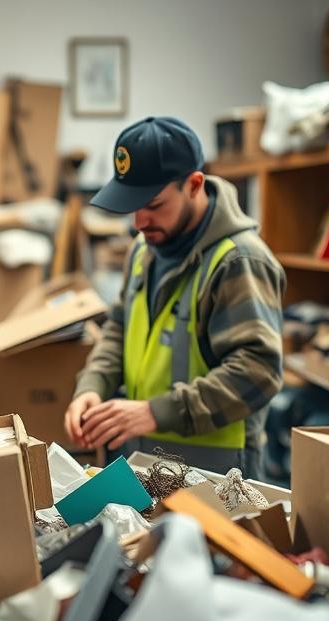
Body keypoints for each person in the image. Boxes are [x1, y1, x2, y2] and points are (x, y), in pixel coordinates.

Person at [64, 117, 285, 478]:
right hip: (142, 464)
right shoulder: (143, 250)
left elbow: (258, 371)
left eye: (153, 203)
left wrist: (155, 412)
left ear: (194, 185)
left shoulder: (237, 261)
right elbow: (119, 329)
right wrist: (93, 384)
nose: (140, 221)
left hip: (214, 476)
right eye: (131, 205)